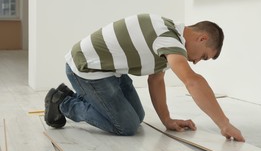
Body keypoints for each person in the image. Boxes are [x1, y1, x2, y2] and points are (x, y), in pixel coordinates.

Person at [44, 13, 245, 142]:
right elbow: (192, 81)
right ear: (202, 38)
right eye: (203, 56)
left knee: (138, 117)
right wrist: (224, 124)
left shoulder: (170, 38)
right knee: (126, 126)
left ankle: (80, 97)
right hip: (87, 69)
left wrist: (166, 120)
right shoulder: (167, 36)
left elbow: (156, 79)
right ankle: (64, 102)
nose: (196, 61)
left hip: (110, 71)